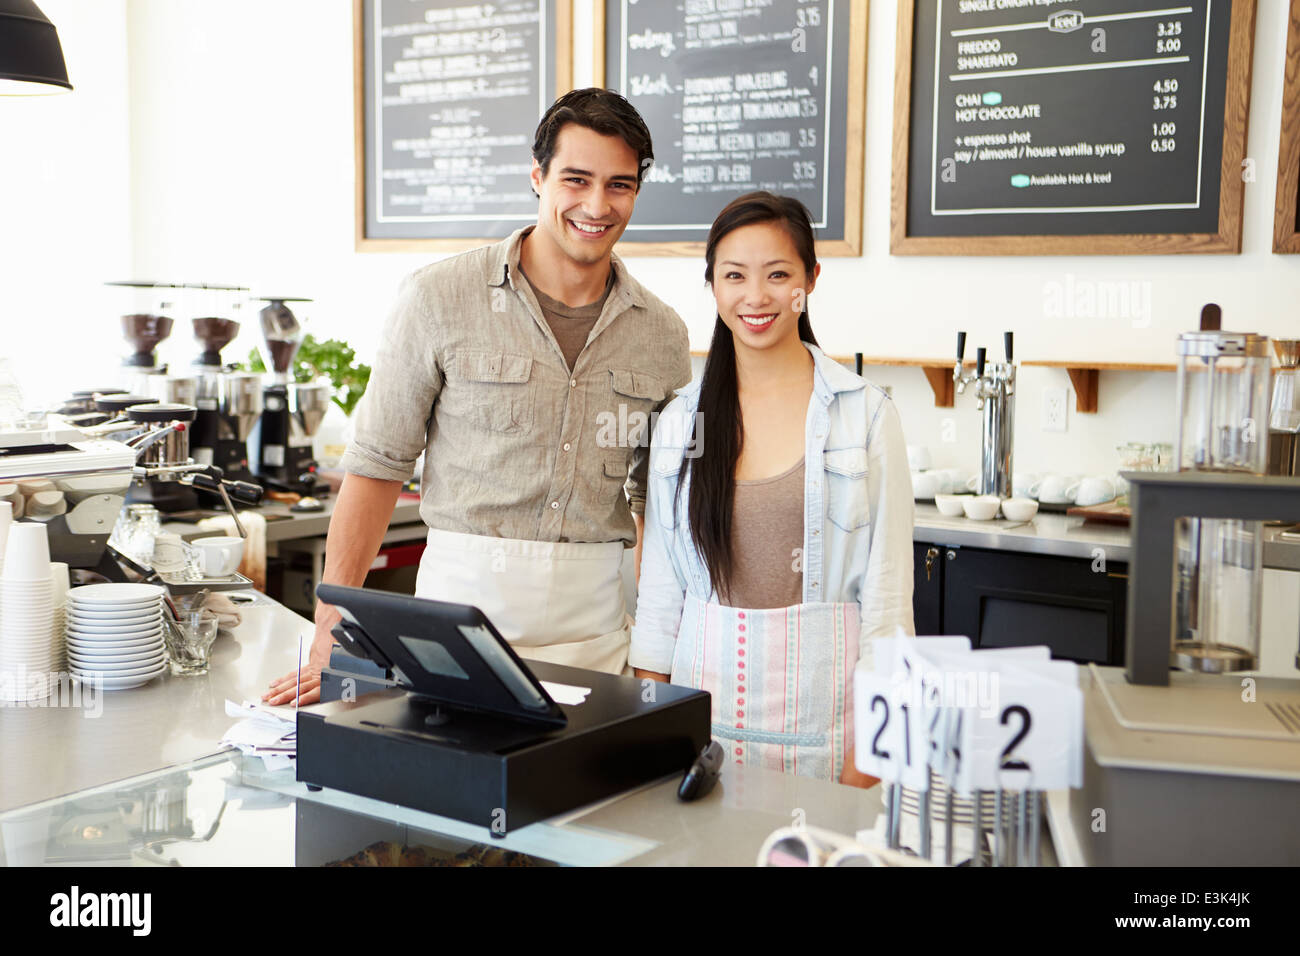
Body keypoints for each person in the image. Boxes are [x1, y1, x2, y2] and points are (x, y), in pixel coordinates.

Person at [265, 89, 690, 706]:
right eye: (576, 179)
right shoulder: (438, 297)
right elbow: (377, 467)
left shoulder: (663, 334)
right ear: (538, 176)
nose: (597, 205)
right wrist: (331, 631)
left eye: (619, 185)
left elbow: (657, 509)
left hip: (598, 641)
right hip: (452, 635)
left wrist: (656, 656)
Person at [629, 191, 914, 787]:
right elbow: (659, 604)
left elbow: (888, 606)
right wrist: (650, 741)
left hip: (831, 732)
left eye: (778, 274)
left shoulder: (865, 416)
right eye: (734, 275)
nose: (755, 296)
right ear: (712, 285)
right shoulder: (681, 422)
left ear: (810, 281)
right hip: (697, 730)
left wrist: (865, 767)